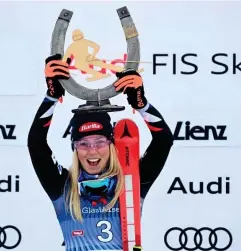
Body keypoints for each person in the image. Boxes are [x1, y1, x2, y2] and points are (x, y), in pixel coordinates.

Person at [27, 54, 174, 251]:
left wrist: (141, 104)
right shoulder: (64, 187)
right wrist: (51, 96)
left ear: (112, 145)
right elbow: (36, 143)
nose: (92, 150)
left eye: (100, 142)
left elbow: (164, 141)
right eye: (83, 144)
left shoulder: (129, 182)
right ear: (74, 148)